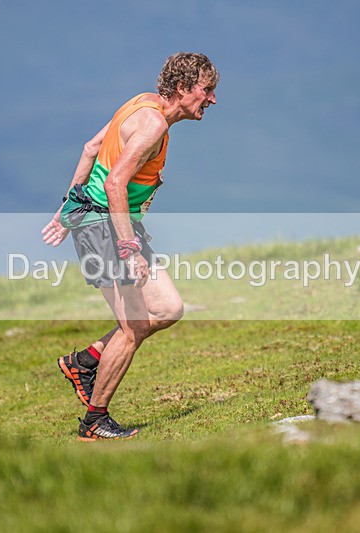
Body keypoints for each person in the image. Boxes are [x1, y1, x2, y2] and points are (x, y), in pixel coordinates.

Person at [41, 52, 219, 441]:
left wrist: (65, 207)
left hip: (110, 222)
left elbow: (91, 148)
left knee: (169, 308)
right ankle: (94, 420)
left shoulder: (140, 102)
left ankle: (85, 361)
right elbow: (114, 184)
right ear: (183, 88)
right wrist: (129, 248)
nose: (212, 100)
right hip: (105, 226)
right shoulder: (153, 125)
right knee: (134, 325)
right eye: (207, 90)